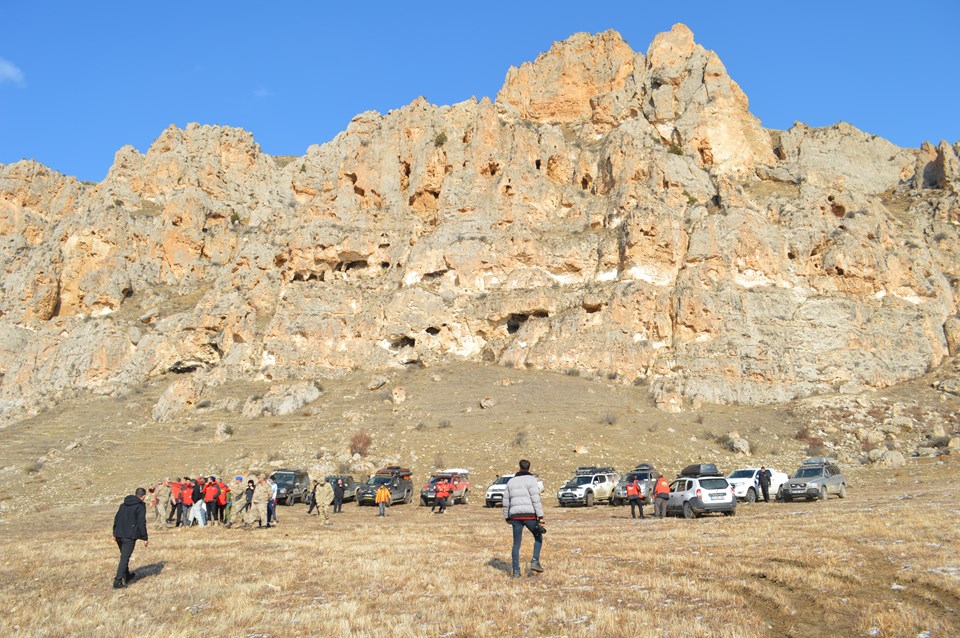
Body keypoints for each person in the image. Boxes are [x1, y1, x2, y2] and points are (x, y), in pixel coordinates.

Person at [502, 459, 544, 578]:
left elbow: (505, 501)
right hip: (530, 515)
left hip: (515, 517)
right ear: (529, 468)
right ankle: (535, 560)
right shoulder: (531, 480)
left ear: (519, 467)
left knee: (516, 544)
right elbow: (536, 499)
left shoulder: (511, 481)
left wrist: (507, 516)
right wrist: (540, 516)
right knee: (538, 537)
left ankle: (516, 572)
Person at [112, 487, 149, 589]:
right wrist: (145, 538)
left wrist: (114, 533)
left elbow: (117, 519)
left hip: (119, 534)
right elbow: (141, 523)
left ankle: (127, 575)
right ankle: (117, 581)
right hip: (129, 536)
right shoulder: (140, 507)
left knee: (124, 555)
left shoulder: (123, 505)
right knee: (124, 558)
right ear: (144, 496)